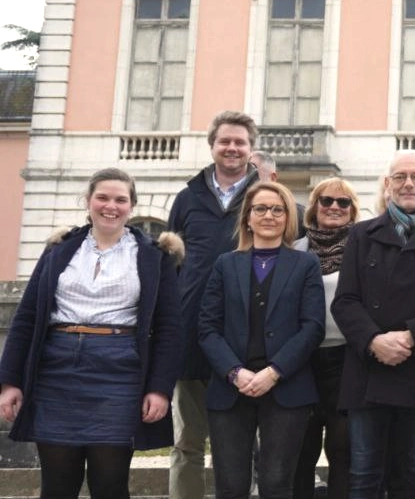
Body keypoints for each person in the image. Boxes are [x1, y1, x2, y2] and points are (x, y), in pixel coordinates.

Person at [0, 168, 183, 499]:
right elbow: (27, 316)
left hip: (120, 372)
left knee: (110, 484)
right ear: (88, 201)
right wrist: (10, 381)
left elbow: (170, 328)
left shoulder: (154, 255)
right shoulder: (58, 249)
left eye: (120, 199)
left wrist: (159, 389)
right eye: (102, 197)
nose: (110, 206)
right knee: (57, 485)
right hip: (55, 370)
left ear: (131, 206)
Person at [331, 150, 415, 499]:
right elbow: (345, 301)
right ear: (387, 185)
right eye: (400, 177)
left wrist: (411, 336)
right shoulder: (362, 234)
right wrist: (375, 341)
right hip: (368, 370)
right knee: (363, 475)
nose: (409, 184)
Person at [197, 181, 326, 499]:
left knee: (277, 484)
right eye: (260, 208)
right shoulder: (226, 264)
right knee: (231, 486)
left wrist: (273, 372)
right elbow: (207, 328)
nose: (269, 215)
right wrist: (234, 372)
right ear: (247, 218)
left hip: (286, 387)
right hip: (231, 388)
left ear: (287, 218)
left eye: (277, 209)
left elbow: (312, 327)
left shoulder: (306, 264)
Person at [168, 110, 262, 499]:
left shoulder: (266, 199)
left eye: (240, 141)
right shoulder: (188, 199)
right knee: (187, 441)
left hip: (246, 339)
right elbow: (171, 266)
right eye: (225, 140)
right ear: (212, 145)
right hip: (191, 337)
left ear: (251, 149)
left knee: (244, 447)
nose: (232, 148)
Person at [292, 178, 360, 499]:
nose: (334, 207)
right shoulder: (295, 251)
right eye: (327, 201)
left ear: (352, 210)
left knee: (342, 449)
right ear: (314, 207)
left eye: (343, 203)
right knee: (301, 450)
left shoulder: (362, 251)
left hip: (346, 361)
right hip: (303, 361)